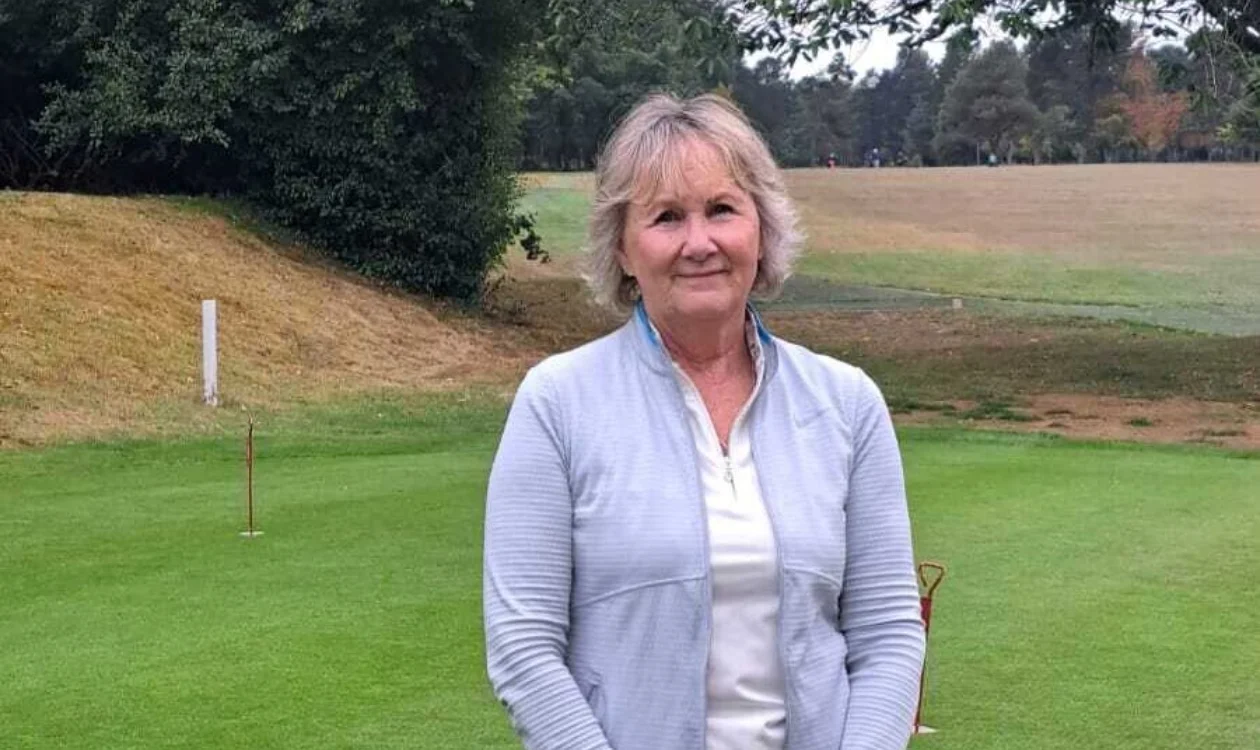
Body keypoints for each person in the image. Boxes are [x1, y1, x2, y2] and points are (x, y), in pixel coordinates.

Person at [483, 93, 925, 750]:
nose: (700, 242)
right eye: (666, 217)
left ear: (761, 230)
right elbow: (523, 651)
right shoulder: (558, 403)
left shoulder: (847, 403)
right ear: (625, 249)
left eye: (722, 209)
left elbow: (888, 633)